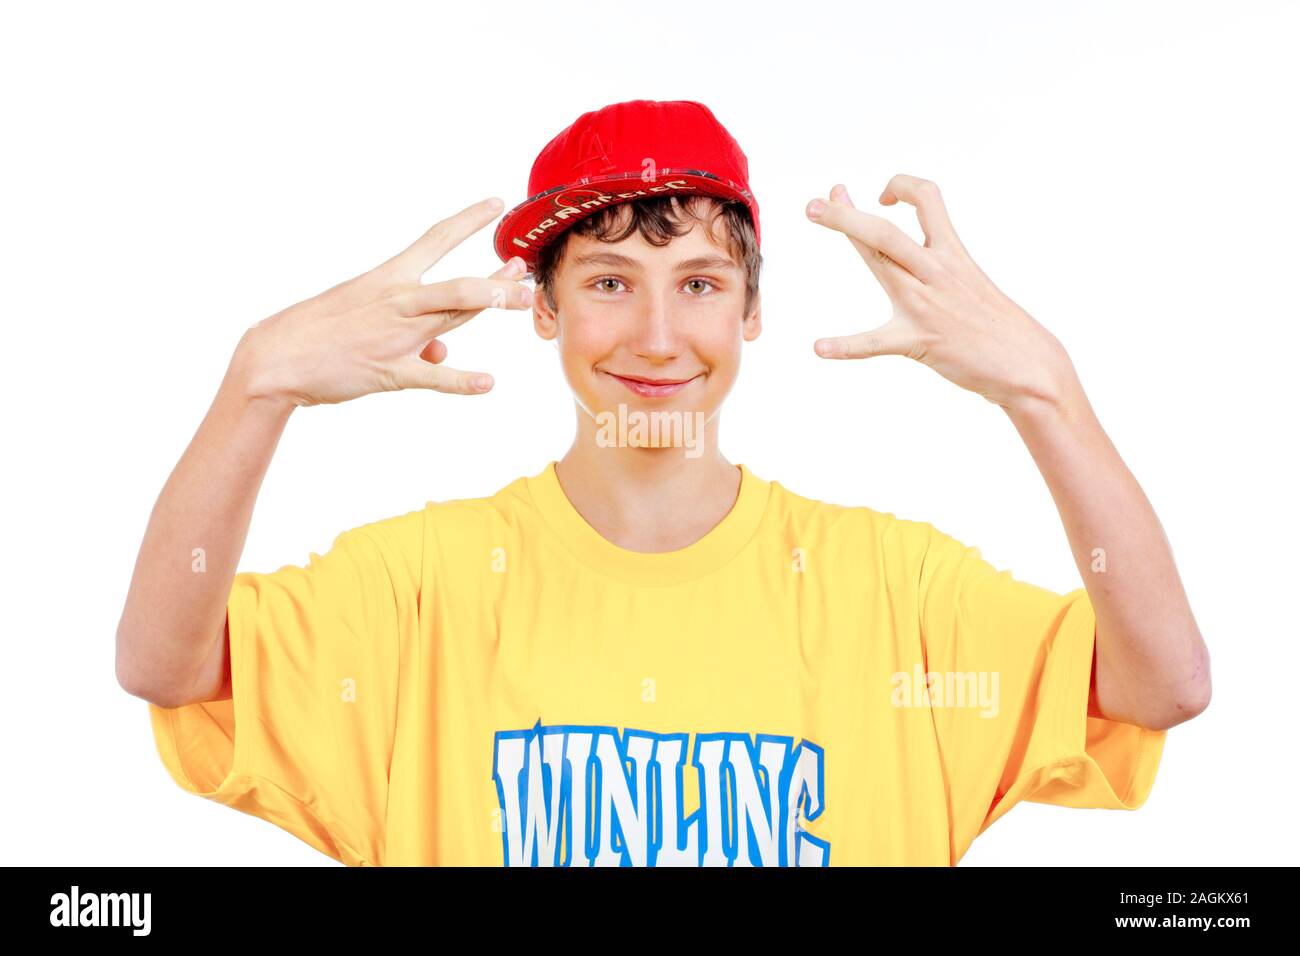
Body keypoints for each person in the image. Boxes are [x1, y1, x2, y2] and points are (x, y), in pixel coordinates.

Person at [116, 99, 1210, 867]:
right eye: (605, 281)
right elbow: (164, 664)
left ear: (751, 313)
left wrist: (1047, 393)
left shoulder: (894, 587)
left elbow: (1162, 683)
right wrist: (254, 384)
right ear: (542, 309)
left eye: (697, 282)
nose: (653, 333)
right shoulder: (420, 586)